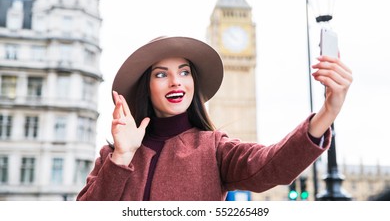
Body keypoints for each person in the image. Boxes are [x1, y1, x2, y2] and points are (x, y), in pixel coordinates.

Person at [76, 36, 352, 201]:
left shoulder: (214, 149)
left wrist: (329, 111)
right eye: (161, 74)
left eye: (184, 72)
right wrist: (122, 157)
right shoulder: (112, 156)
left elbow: (272, 165)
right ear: (145, 87)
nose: (176, 82)